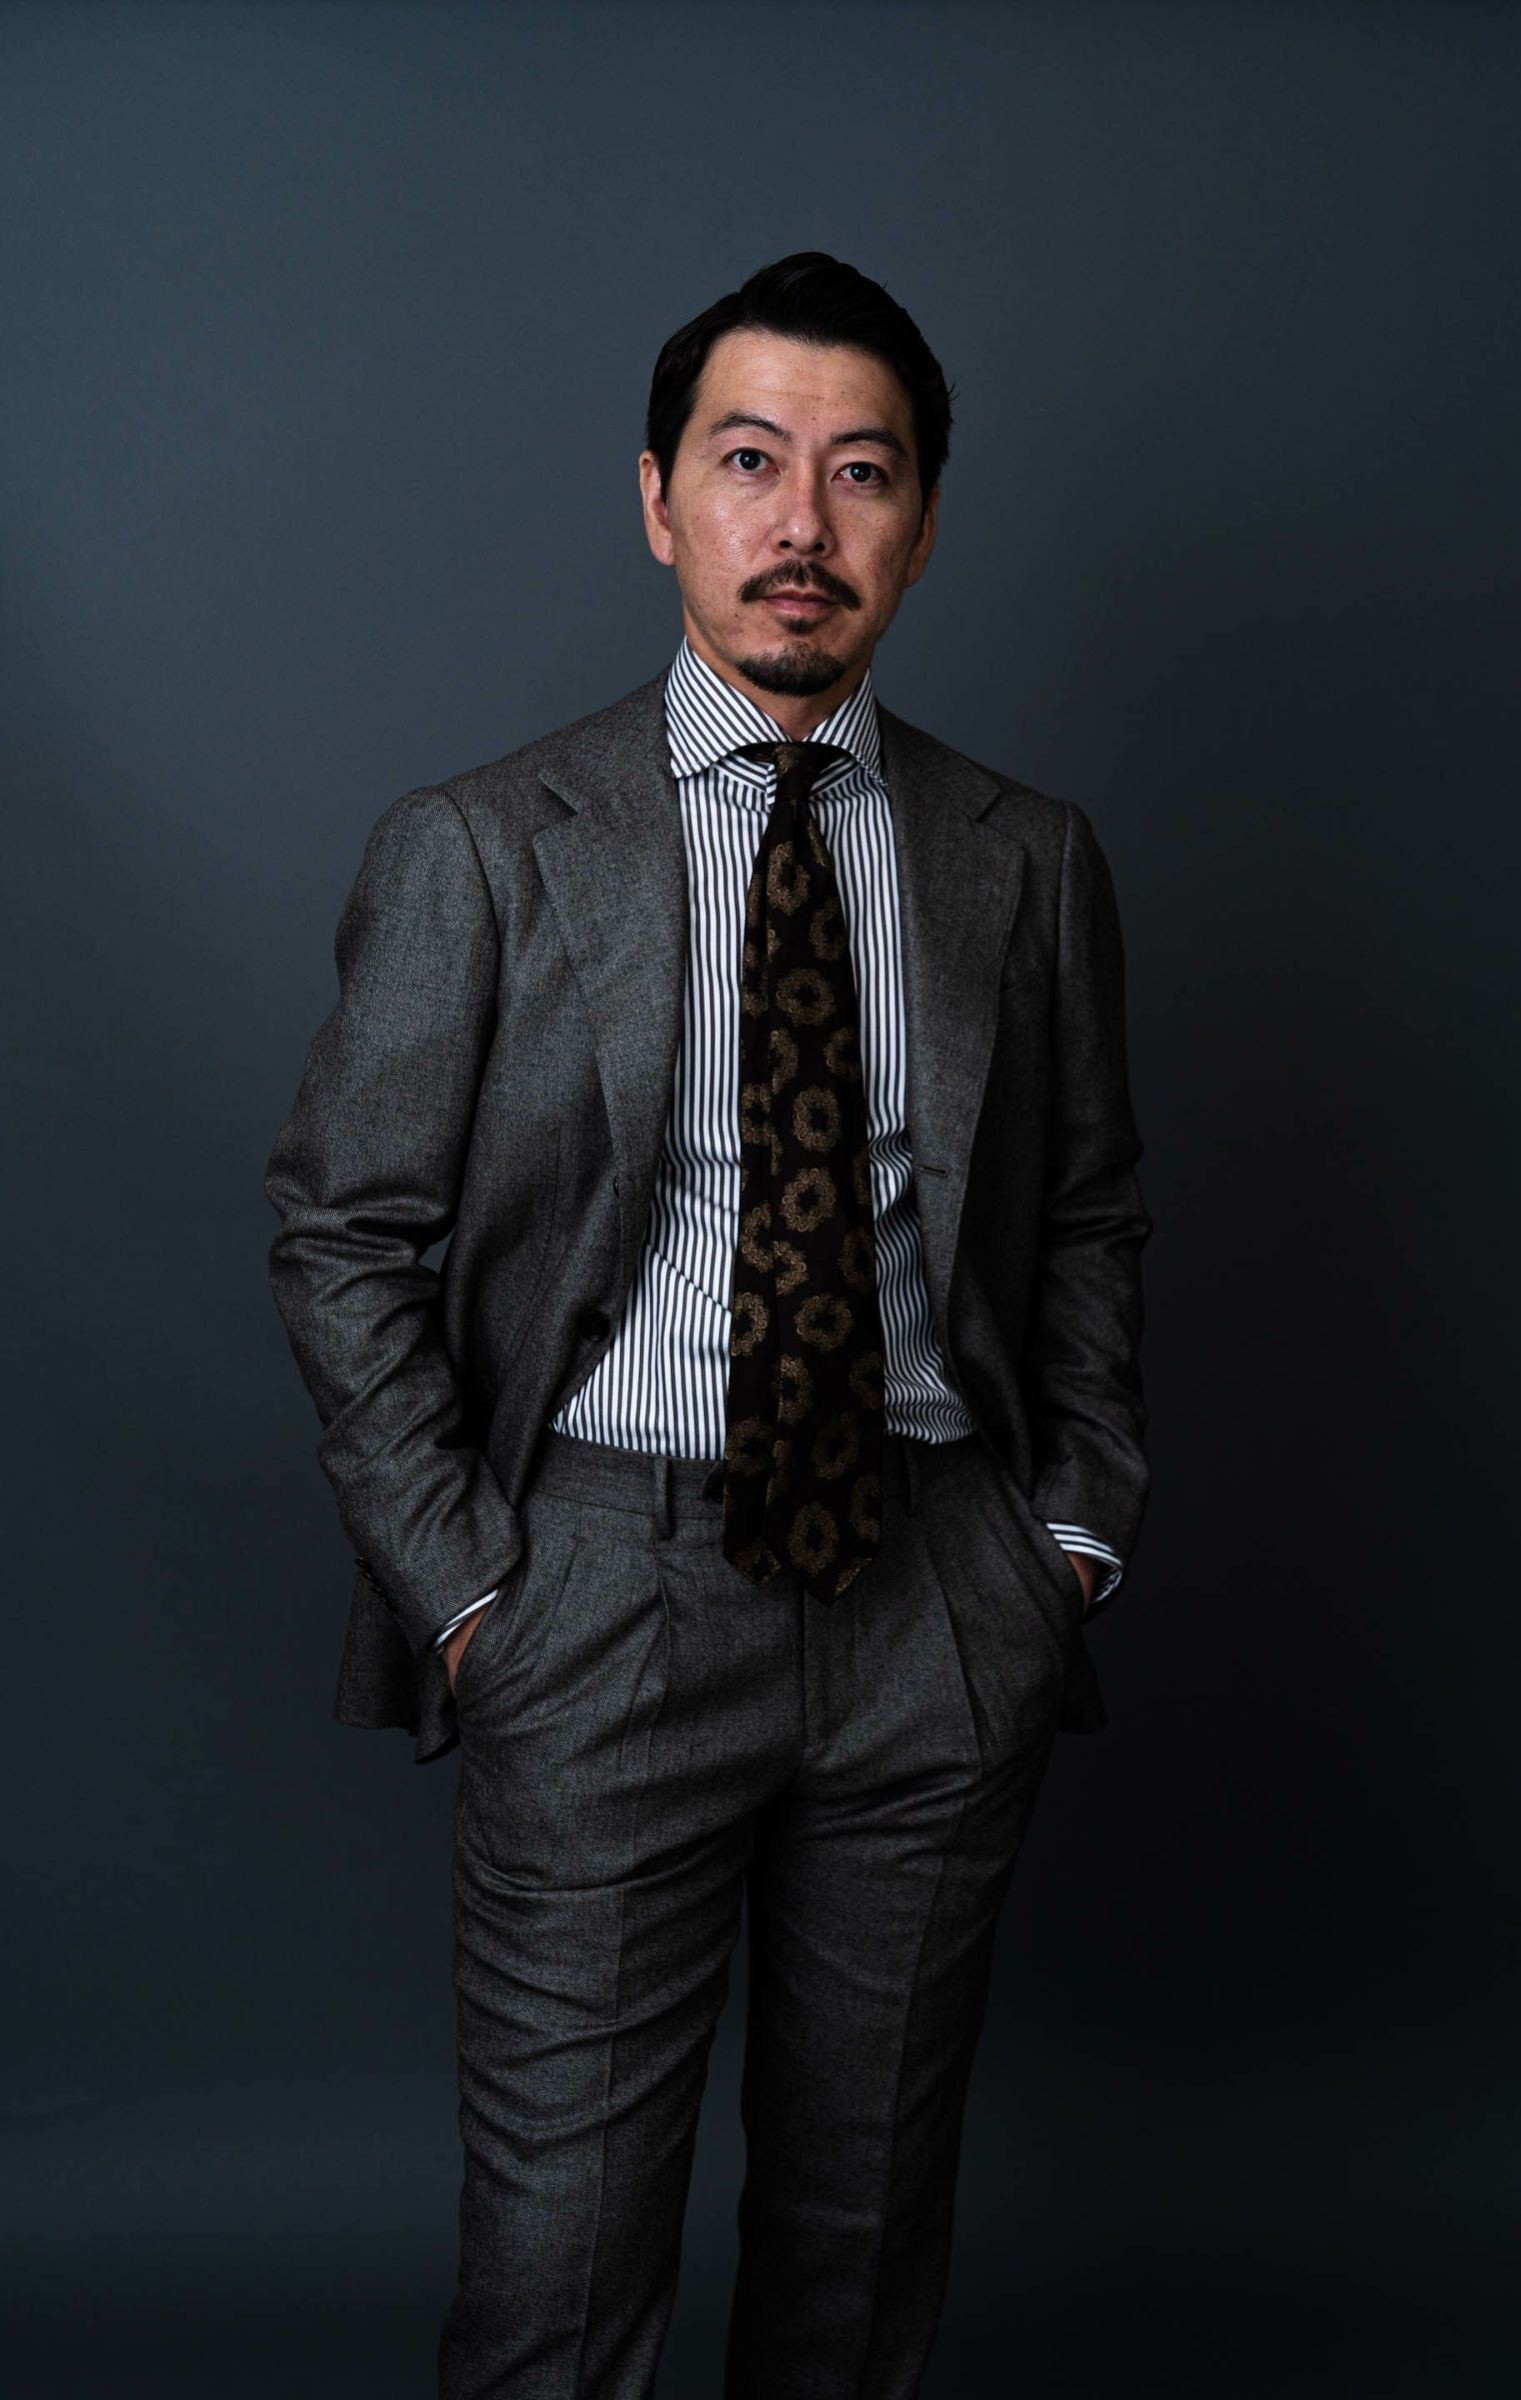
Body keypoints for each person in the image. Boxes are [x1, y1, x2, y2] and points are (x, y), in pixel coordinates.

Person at [264, 249, 1150, 2400]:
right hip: (600, 1595)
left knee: (858, 2271)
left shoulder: (1020, 859)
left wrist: (1061, 1545)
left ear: (921, 525)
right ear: (657, 498)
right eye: (750, 462)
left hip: (937, 1600)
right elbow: (342, 1231)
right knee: (560, 2288)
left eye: (863, 473)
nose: (802, 523)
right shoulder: (487, 846)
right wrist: (475, 1596)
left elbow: (1086, 1216)